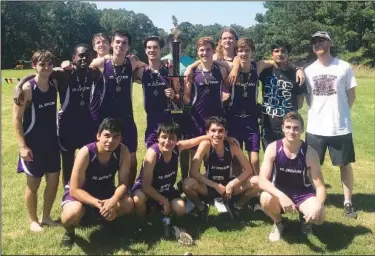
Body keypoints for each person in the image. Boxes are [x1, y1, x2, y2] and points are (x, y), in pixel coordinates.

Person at [304, 31, 357, 218]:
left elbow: (351, 96)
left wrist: (340, 112)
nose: (317, 44)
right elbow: (309, 99)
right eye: (314, 41)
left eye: (321, 40)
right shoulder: (308, 70)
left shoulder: (344, 67)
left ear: (330, 42)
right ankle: (313, 198)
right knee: (312, 165)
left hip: (339, 127)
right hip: (315, 128)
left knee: (344, 164)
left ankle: (348, 202)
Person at [60, 118, 134, 249]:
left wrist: (113, 200)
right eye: (107, 135)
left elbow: (123, 183)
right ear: (98, 135)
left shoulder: (123, 151)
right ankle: (69, 232)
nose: (111, 141)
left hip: (105, 191)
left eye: (116, 137)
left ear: (121, 139)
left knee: (128, 203)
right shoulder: (86, 152)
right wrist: (100, 204)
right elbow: (74, 189)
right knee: (70, 214)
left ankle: (109, 219)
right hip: (82, 194)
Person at [132, 121, 210, 245]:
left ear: (177, 140)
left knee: (180, 208)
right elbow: (145, 186)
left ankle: (167, 220)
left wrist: (216, 136)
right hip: (147, 190)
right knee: (138, 198)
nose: (167, 142)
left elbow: (194, 141)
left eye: (172, 138)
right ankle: (141, 225)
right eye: (164, 137)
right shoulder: (152, 154)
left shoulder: (176, 148)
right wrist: (164, 201)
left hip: (166, 189)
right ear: (158, 138)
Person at [89, 29, 146, 187]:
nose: (120, 45)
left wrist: (141, 74)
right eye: (118, 42)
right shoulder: (102, 63)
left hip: (126, 119)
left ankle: (127, 191)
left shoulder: (131, 62)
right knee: (103, 159)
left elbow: (145, 66)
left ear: (128, 47)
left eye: (124, 43)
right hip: (105, 120)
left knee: (132, 160)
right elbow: (84, 68)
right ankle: (100, 190)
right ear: (112, 44)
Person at [258, 111, 326, 241]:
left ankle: (305, 220)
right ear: (283, 128)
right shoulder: (273, 148)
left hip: (303, 193)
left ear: (302, 129)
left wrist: (318, 205)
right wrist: (281, 196)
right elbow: (262, 180)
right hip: (280, 191)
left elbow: (320, 186)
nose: (291, 131)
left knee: (320, 217)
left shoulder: (310, 153)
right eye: (288, 127)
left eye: (296, 128)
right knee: (265, 198)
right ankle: (279, 223)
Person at [12, 50, 60, 232]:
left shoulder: (54, 83)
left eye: (49, 63)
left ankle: (46, 217)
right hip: (33, 144)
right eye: (42, 64)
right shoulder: (27, 89)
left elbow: (57, 72)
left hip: (52, 142)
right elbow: (16, 119)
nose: (46, 67)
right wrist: (22, 146)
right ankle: (33, 221)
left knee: (53, 182)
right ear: (34, 66)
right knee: (33, 184)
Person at [183, 116, 260, 222]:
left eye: (220, 131)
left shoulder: (232, 147)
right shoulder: (205, 145)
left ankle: (237, 206)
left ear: (225, 133)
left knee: (257, 181)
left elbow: (249, 170)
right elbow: (193, 172)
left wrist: (232, 184)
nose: (216, 134)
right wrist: (215, 185)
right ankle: (201, 208)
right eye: (213, 131)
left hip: (229, 188)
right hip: (210, 187)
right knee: (187, 183)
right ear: (207, 132)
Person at [257, 40, 306, 151]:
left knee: (289, 157)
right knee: (270, 157)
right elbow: (255, 64)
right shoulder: (265, 71)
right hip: (268, 124)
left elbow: (300, 102)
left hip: (289, 125)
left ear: (289, 54)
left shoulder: (296, 75)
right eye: (276, 51)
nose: (280, 54)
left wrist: (298, 69)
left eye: (284, 51)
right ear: (272, 54)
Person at [133, 36, 176, 148]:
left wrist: (174, 93)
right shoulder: (141, 71)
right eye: (149, 47)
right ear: (145, 50)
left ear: (161, 49)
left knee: (169, 157)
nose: (152, 50)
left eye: (155, 47)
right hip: (152, 122)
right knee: (151, 154)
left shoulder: (170, 68)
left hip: (169, 120)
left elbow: (180, 92)